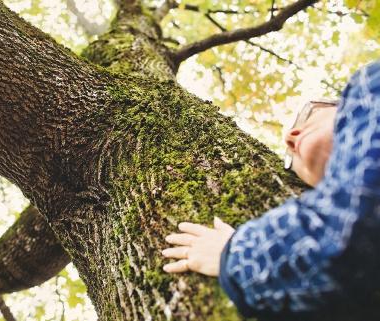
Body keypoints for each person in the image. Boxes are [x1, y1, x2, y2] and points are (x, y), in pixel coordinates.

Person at [161, 61, 380, 319]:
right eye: (290, 163)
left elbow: (346, 229)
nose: (291, 137)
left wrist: (234, 257)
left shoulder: (370, 84)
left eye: (308, 114)